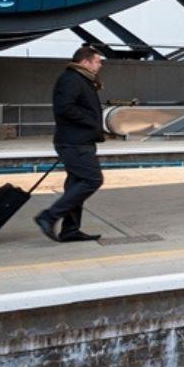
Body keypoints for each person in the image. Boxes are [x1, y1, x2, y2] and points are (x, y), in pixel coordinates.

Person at [35, 45, 107, 242]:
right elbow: (64, 107)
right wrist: (90, 122)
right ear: (85, 62)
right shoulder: (71, 79)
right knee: (92, 180)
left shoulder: (81, 79)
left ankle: (70, 230)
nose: (100, 65)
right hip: (74, 141)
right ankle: (48, 216)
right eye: (97, 61)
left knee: (76, 184)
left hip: (80, 140)